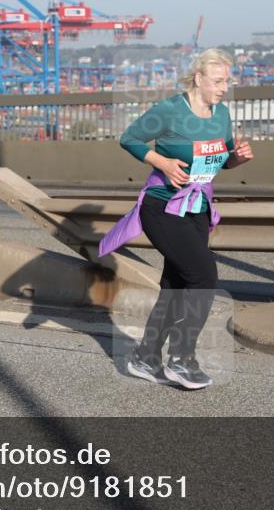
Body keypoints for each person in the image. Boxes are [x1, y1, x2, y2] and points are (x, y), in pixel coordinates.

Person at [99, 49, 253, 389]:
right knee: (203, 276)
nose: (224, 88)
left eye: (227, 81)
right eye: (218, 81)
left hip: (197, 208)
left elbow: (222, 158)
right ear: (198, 78)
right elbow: (129, 139)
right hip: (162, 207)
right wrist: (163, 163)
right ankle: (182, 358)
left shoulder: (221, 114)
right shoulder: (169, 110)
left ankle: (145, 356)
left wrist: (237, 160)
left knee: (176, 285)